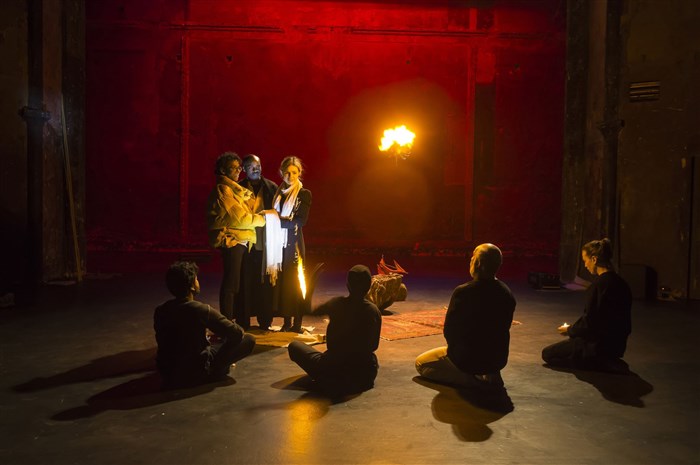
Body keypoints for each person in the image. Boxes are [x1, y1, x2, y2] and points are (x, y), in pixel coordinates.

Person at [415, 243, 516, 389]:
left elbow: (450, 331)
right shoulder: (506, 292)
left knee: (421, 363)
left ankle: (474, 382)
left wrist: (458, 354)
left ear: (478, 263)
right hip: (497, 359)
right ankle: (490, 374)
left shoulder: (464, 292)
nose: (470, 260)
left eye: (473, 257)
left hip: (468, 359)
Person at [153, 261, 256, 389]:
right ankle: (216, 371)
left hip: (168, 374)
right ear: (192, 286)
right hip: (196, 372)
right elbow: (236, 333)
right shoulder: (200, 310)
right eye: (196, 279)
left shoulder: (160, 310)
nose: (198, 282)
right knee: (248, 340)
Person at [288, 264, 382, 394]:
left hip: (332, 372)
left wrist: (305, 297)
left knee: (294, 346)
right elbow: (373, 346)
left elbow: (310, 312)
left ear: (348, 285)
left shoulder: (336, 304)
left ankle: (328, 378)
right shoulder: (373, 311)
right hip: (363, 377)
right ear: (369, 287)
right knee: (369, 359)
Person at [542, 238, 632, 372]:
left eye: (585, 260)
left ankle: (596, 362)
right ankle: (607, 359)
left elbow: (589, 322)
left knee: (547, 354)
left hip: (596, 346)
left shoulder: (598, 286)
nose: (585, 265)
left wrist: (569, 330)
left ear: (594, 259)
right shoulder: (622, 284)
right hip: (617, 345)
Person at [205, 151, 271, 322]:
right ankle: (226, 324)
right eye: (234, 168)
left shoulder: (234, 190)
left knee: (234, 284)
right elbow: (240, 218)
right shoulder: (223, 190)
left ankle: (229, 322)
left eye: (238, 168)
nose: (238, 171)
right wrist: (263, 219)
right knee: (231, 285)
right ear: (223, 170)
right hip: (232, 241)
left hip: (240, 241)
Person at [266, 156, 312, 333]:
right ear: (281, 173)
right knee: (283, 283)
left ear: (299, 173)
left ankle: (297, 323)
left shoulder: (303, 194)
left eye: (294, 172)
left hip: (294, 244)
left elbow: (300, 221)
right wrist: (274, 219)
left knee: (296, 282)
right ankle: (286, 322)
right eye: (287, 172)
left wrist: (273, 220)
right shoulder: (278, 193)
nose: (290, 176)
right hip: (278, 244)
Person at [237, 154, 279, 330]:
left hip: (266, 243)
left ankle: (265, 321)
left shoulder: (271, 187)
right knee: (244, 283)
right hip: (245, 243)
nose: (256, 169)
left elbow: (278, 212)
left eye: (258, 165)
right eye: (251, 166)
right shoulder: (238, 188)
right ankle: (243, 321)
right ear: (244, 170)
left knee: (265, 284)